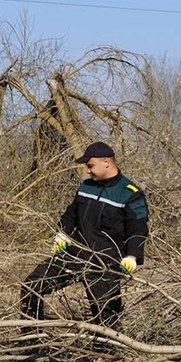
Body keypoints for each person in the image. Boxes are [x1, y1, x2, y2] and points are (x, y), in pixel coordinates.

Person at [20, 141, 149, 338]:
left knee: (106, 316)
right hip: (75, 254)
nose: (88, 171)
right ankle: (32, 340)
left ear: (106, 162)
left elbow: (138, 229)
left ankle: (106, 351)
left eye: (90, 165)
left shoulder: (130, 194)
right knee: (32, 286)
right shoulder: (86, 187)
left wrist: (132, 256)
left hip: (105, 263)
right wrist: (62, 234)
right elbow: (70, 215)